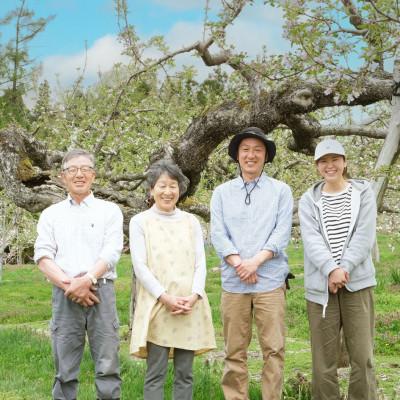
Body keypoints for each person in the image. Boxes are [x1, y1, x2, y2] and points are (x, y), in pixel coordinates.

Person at [210, 126, 293, 400]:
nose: (251, 155)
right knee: (234, 350)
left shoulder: (281, 191)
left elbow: (282, 232)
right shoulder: (222, 192)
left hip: (269, 281)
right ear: (237, 156)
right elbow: (218, 234)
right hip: (234, 283)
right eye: (245, 149)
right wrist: (238, 263)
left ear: (266, 156)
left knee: (274, 349)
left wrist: (255, 262)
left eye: (258, 150)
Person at [34, 149, 123, 400]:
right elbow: (42, 256)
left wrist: (87, 280)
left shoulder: (110, 210)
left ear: (93, 175)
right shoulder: (51, 214)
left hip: (101, 291)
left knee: (108, 365)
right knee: (65, 366)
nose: (79, 174)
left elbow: (112, 251)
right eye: (72, 169)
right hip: (64, 293)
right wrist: (71, 286)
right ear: (63, 176)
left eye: (85, 169)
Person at [129, 159, 216, 400]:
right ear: (151, 190)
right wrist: (164, 297)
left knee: (185, 373)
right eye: (162, 186)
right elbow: (140, 266)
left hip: (189, 306)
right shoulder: (140, 222)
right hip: (158, 305)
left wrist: (195, 295)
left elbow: (201, 262)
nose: (168, 191)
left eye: (173, 186)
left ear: (180, 189)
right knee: (155, 373)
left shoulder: (191, 222)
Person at [298, 138, 378, 400]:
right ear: (317, 166)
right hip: (321, 287)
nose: (329, 165)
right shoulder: (308, 200)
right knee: (323, 362)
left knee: (362, 357)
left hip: (357, 283)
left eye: (335, 160)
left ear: (344, 162)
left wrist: (343, 269)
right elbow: (311, 240)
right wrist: (331, 269)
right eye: (323, 161)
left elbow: (364, 236)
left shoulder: (363, 194)